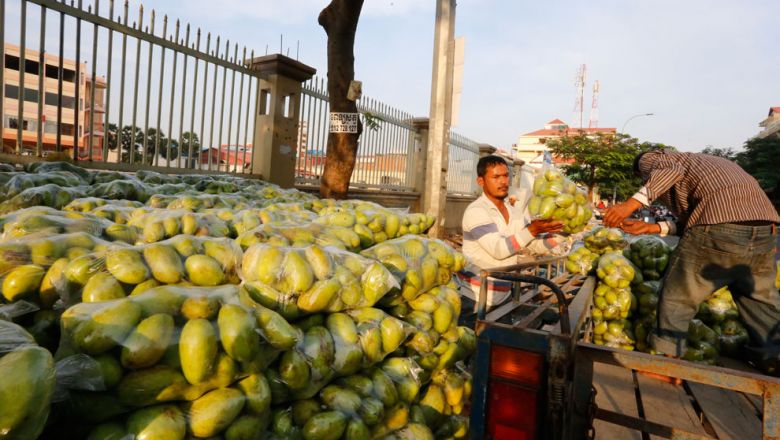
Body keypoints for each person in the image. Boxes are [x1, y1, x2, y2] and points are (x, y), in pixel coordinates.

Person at [604, 149, 780, 375]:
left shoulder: (660, 158)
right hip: (765, 227)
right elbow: (699, 215)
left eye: (644, 176)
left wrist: (628, 205)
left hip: (720, 226)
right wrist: (654, 227)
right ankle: (774, 360)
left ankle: (670, 364)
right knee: (760, 299)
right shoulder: (709, 165)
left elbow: (672, 173)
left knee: (678, 294)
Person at [459, 155, 563, 325]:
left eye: (506, 175)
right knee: (473, 349)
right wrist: (532, 229)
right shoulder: (476, 211)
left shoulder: (514, 212)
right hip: (476, 299)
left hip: (504, 298)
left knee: (498, 348)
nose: (503, 181)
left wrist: (562, 233)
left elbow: (534, 246)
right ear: (481, 181)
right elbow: (499, 250)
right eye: (495, 177)